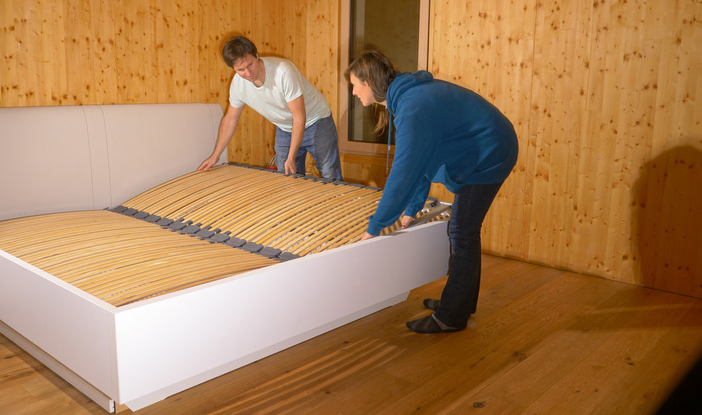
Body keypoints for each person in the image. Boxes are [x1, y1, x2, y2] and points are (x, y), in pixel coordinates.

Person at [345, 50, 518, 334]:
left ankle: (452, 316)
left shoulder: (413, 107)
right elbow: (422, 161)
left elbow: (404, 172)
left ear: (370, 82)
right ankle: (460, 303)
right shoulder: (410, 100)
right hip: (487, 146)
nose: (353, 92)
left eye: (354, 85)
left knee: (462, 231)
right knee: (463, 231)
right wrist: (412, 208)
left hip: (491, 153)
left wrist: (375, 227)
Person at [198, 36, 343, 181]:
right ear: (234, 69)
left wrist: (291, 156)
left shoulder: (283, 72)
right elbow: (230, 119)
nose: (248, 73)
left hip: (316, 120)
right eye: (240, 69)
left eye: (250, 65)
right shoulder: (238, 85)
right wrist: (215, 156)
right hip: (285, 127)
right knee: (287, 177)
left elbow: (299, 117)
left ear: (257, 56)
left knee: (330, 175)